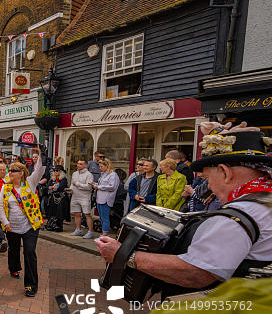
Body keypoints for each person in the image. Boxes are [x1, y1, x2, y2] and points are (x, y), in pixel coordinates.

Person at [96, 123, 272, 293]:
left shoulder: (235, 217)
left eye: (207, 178)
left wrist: (124, 254)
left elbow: (195, 272)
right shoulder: (263, 203)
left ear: (225, 172)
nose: (209, 186)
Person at [0, 152, 44, 297]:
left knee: (29, 252)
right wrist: (5, 223)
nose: (10, 172)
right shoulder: (5, 188)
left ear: (21, 173)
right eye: (9, 170)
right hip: (12, 227)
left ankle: (31, 285)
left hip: (30, 226)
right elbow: (0, 207)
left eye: (13, 170)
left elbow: (39, 170)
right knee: (13, 249)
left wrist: (41, 155)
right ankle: (14, 268)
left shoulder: (30, 183)